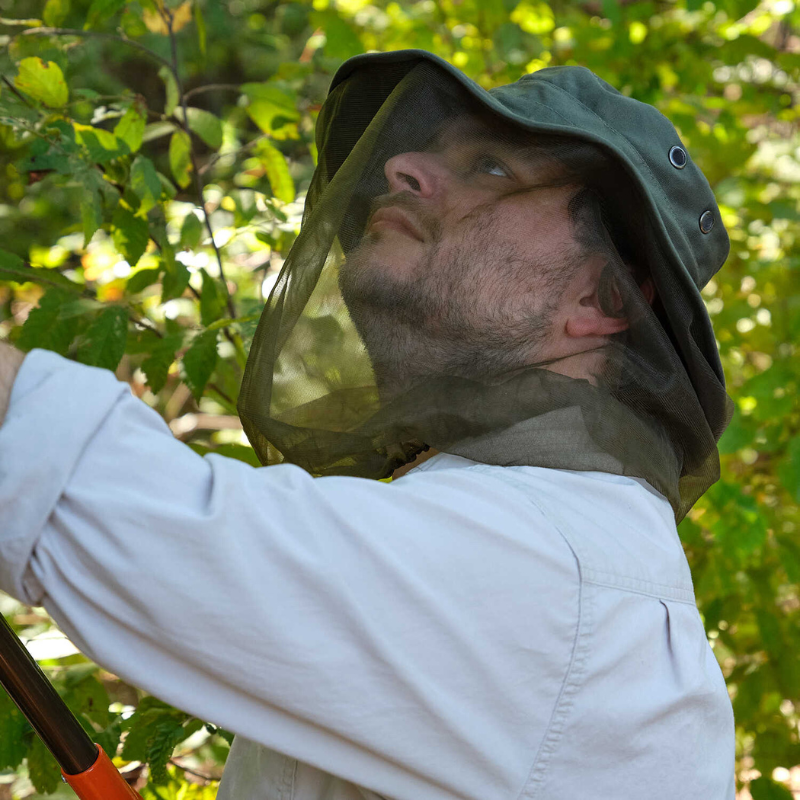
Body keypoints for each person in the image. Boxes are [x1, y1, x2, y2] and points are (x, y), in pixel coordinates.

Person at [0, 50, 735, 799]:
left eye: (490, 169)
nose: (402, 167)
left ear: (605, 299)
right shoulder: (536, 529)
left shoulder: (549, 560)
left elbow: (100, 497)